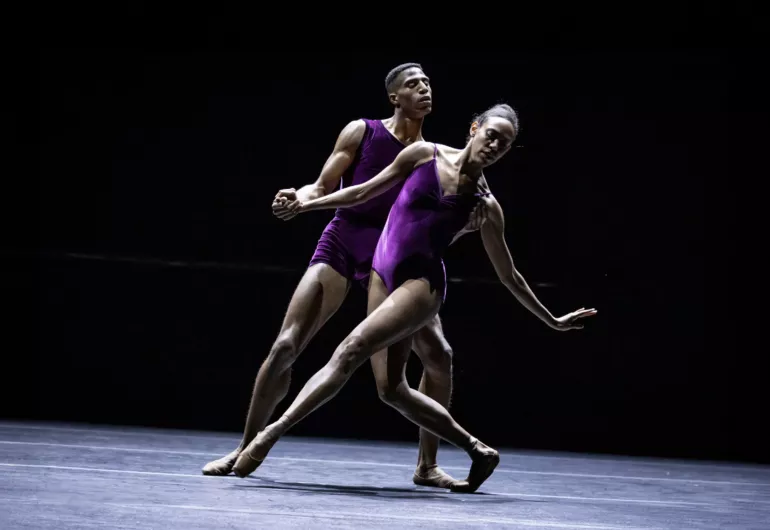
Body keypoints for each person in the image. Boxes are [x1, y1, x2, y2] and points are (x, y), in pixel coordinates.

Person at [231, 103, 597, 493]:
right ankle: (477, 450)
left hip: (420, 286)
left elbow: (510, 276)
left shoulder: (485, 206)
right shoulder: (424, 154)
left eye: (504, 145)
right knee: (391, 390)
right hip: (380, 272)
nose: (495, 145)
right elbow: (363, 191)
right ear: (474, 128)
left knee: (350, 349)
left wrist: (552, 320)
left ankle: (269, 434)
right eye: (492, 135)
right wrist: (308, 203)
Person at [202, 63, 486, 489]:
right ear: (394, 97)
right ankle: (246, 447)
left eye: (428, 83)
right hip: (344, 241)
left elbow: (433, 229)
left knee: (438, 355)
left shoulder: (433, 157)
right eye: (413, 84)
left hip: (392, 258)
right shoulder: (363, 131)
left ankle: (427, 466)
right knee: (286, 345)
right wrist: (296, 196)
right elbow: (322, 186)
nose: (424, 89)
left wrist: (465, 228)